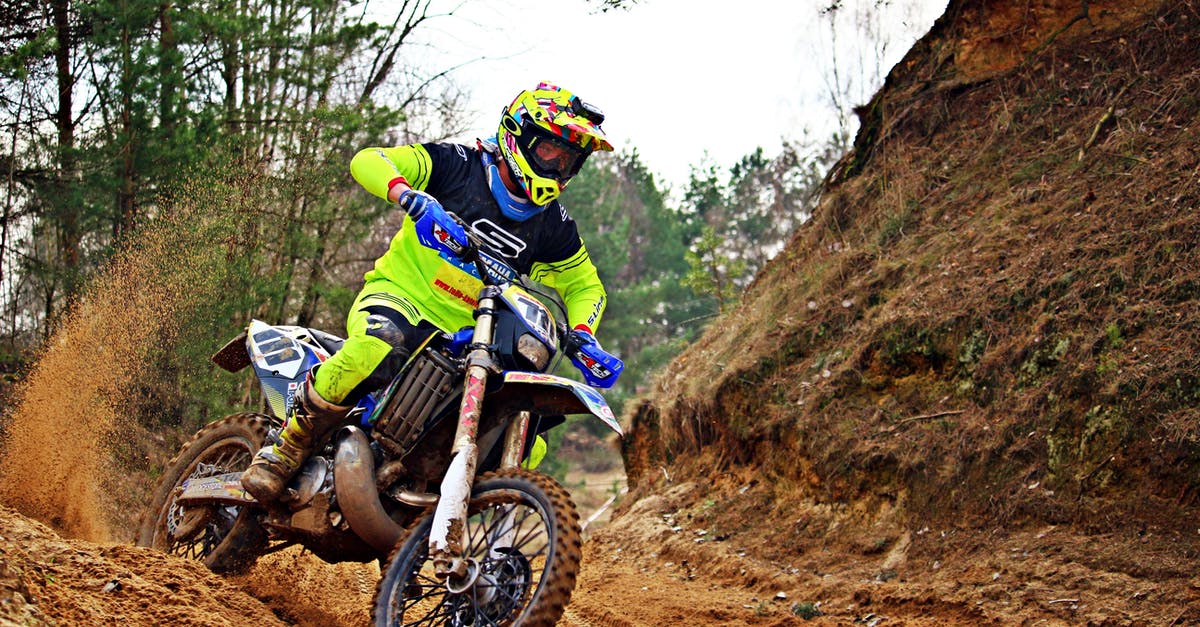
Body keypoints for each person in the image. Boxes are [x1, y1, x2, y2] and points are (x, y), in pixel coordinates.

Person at [242, 82, 614, 503]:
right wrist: (410, 196)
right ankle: (287, 446)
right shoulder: (458, 165)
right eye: (550, 151)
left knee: (530, 434)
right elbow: (370, 159)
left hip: (472, 342)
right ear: (518, 135)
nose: (558, 167)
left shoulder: (554, 226)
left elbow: (584, 284)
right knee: (377, 346)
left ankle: (438, 528)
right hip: (401, 300)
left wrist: (583, 332)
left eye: (569, 160)